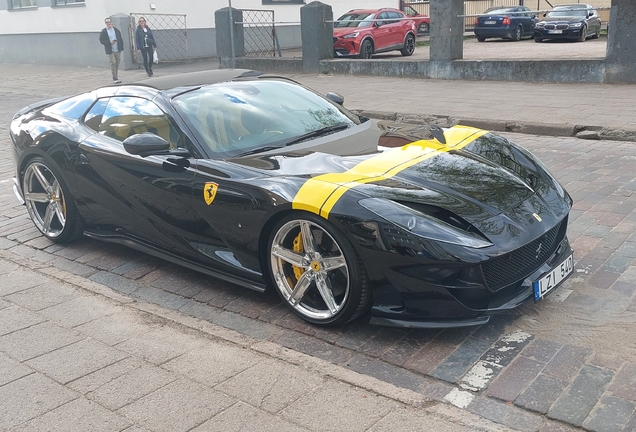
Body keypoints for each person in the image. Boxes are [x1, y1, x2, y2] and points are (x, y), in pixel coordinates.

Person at [99, 17, 124, 84]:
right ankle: (114, 77)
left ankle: (116, 75)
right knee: (113, 62)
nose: (108, 23)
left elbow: (120, 39)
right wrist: (109, 42)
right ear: (105, 23)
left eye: (109, 22)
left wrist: (121, 47)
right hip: (110, 50)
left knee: (117, 63)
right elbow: (101, 41)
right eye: (107, 22)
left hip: (117, 49)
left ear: (112, 22)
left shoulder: (116, 30)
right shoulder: (104, 31)